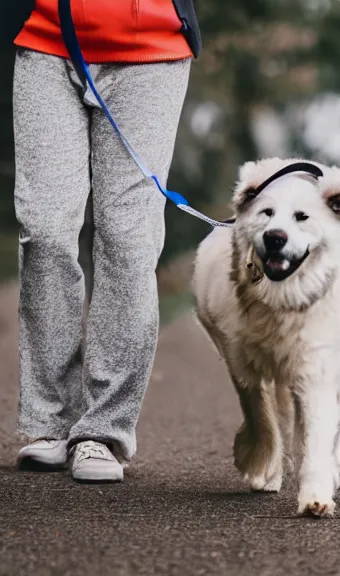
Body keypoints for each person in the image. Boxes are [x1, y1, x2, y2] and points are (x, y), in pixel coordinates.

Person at [11, 0, 201, 482]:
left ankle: (103, 430)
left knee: (127, 236)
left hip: (152, 51)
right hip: (47, 37)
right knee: (46, 229)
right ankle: (48, 422)